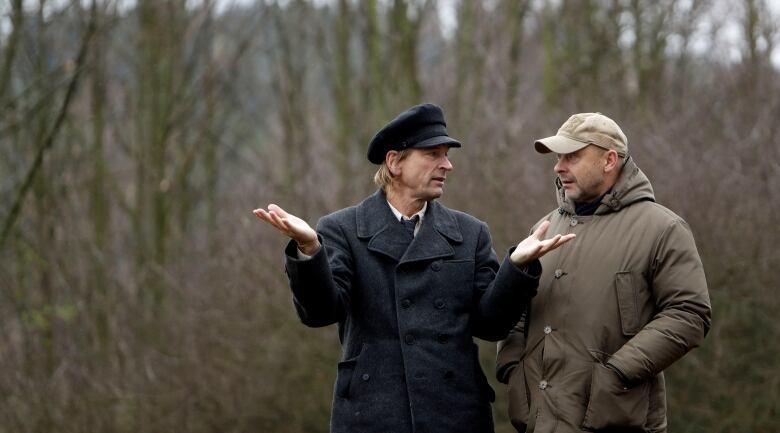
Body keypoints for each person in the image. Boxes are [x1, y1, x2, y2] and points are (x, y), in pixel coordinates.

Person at [253, 103, 574, 433]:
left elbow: (490, 325)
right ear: (394, 162)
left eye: (447, 155)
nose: (447, 165)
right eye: (433, 154)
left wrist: (517, 267)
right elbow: (319, 313)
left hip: (456, 416)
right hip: (372, 415)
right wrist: (310, 250)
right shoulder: (343, 230)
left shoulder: (470, 233)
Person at [496, 112, 712, 433]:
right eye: (557, 158)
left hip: (617, 420)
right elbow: (516, 310)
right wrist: (513, 367)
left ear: (609, 160)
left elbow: (689, 315)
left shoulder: (663, 229)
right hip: (538, 422)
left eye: (572, 156)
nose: (558, 167)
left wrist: (616, 372)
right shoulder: (544, 228)